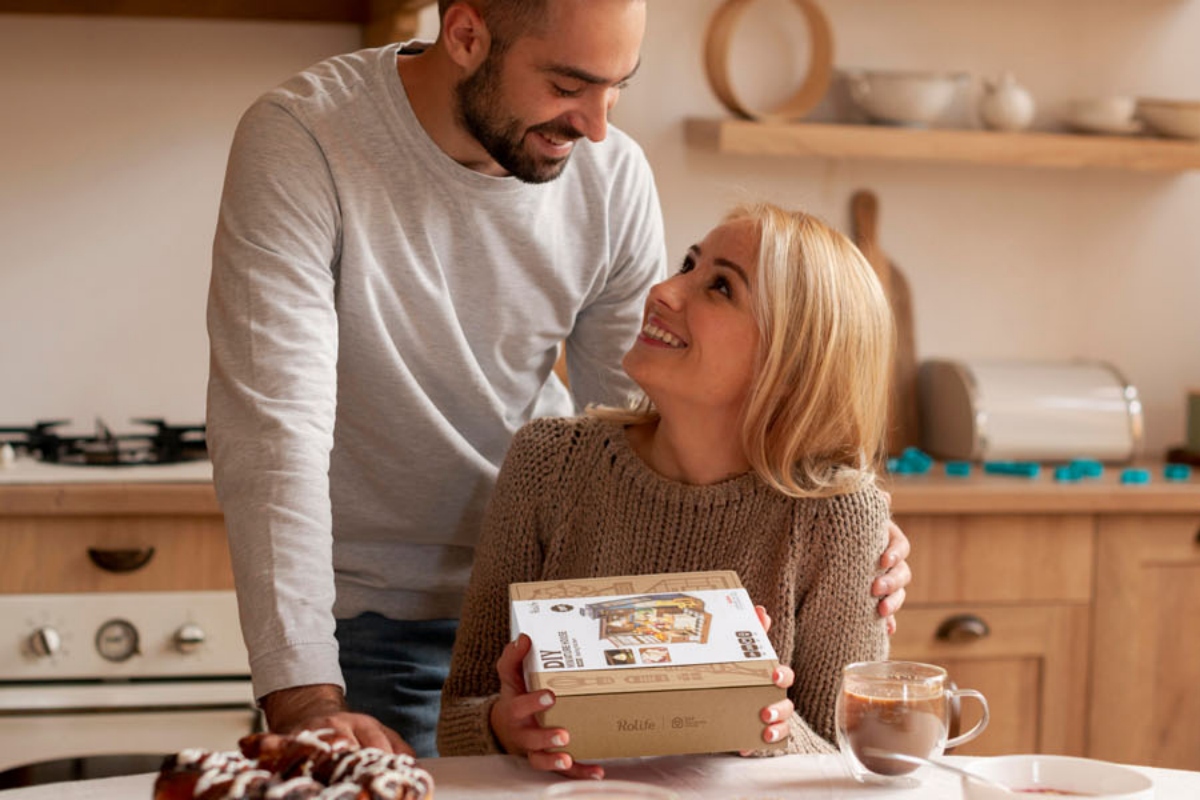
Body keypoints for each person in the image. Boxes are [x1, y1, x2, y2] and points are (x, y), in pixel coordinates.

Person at [205, 0, 912, 760]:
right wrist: (306, 693)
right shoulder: (307, 138)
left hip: (569, 615)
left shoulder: (608, 171)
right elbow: (276, 429)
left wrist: (834, 519)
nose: (597, 128)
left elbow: (652, 419)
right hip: (372, 627)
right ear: (466, 35)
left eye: (617, 89)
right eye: (569, 85)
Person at [438, 203, 893, 778]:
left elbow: (848, 767)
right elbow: (458, 718)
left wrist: (768, 727)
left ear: (791, 360)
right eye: (688, 265)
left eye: (720, 287)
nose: (663, 291)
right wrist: (504, 727)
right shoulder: (547, 462)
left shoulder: (840, 517)